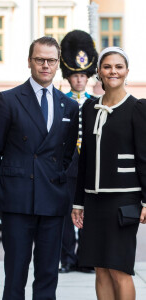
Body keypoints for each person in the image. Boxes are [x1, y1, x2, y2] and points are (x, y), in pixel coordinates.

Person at [0, 36, 79, 300]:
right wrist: (5, 186)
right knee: (15, 274)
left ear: (58, 63)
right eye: (40, 59)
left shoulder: (69, 106)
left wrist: (54, 179)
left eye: (51, 60)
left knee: (48, 274)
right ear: (30, 61)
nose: (45, 65)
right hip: (17, 200)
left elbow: (67, 153)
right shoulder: (8, 100)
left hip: (52, 199)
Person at [72, 47, 146, 300]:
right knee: (100, 269)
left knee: (119, 269)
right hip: (93, 201)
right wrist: (78, 202)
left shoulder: (138, 108)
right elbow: (84, 158)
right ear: (99, 73)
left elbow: (145, 159)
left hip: (124, 201)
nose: (113, 71)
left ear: (126, 72)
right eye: (107, 67)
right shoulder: (89, 109)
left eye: (118, 67)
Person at [59, 30, 98, 274]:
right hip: (67, 166)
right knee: (65, 215)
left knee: (89, 214)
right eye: (75, 76)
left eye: (83, 75)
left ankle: (86, 258)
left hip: (89, 165)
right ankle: (67, 259)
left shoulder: (96, 102)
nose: (80, 80)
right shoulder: (61, 100)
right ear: (69, 77)